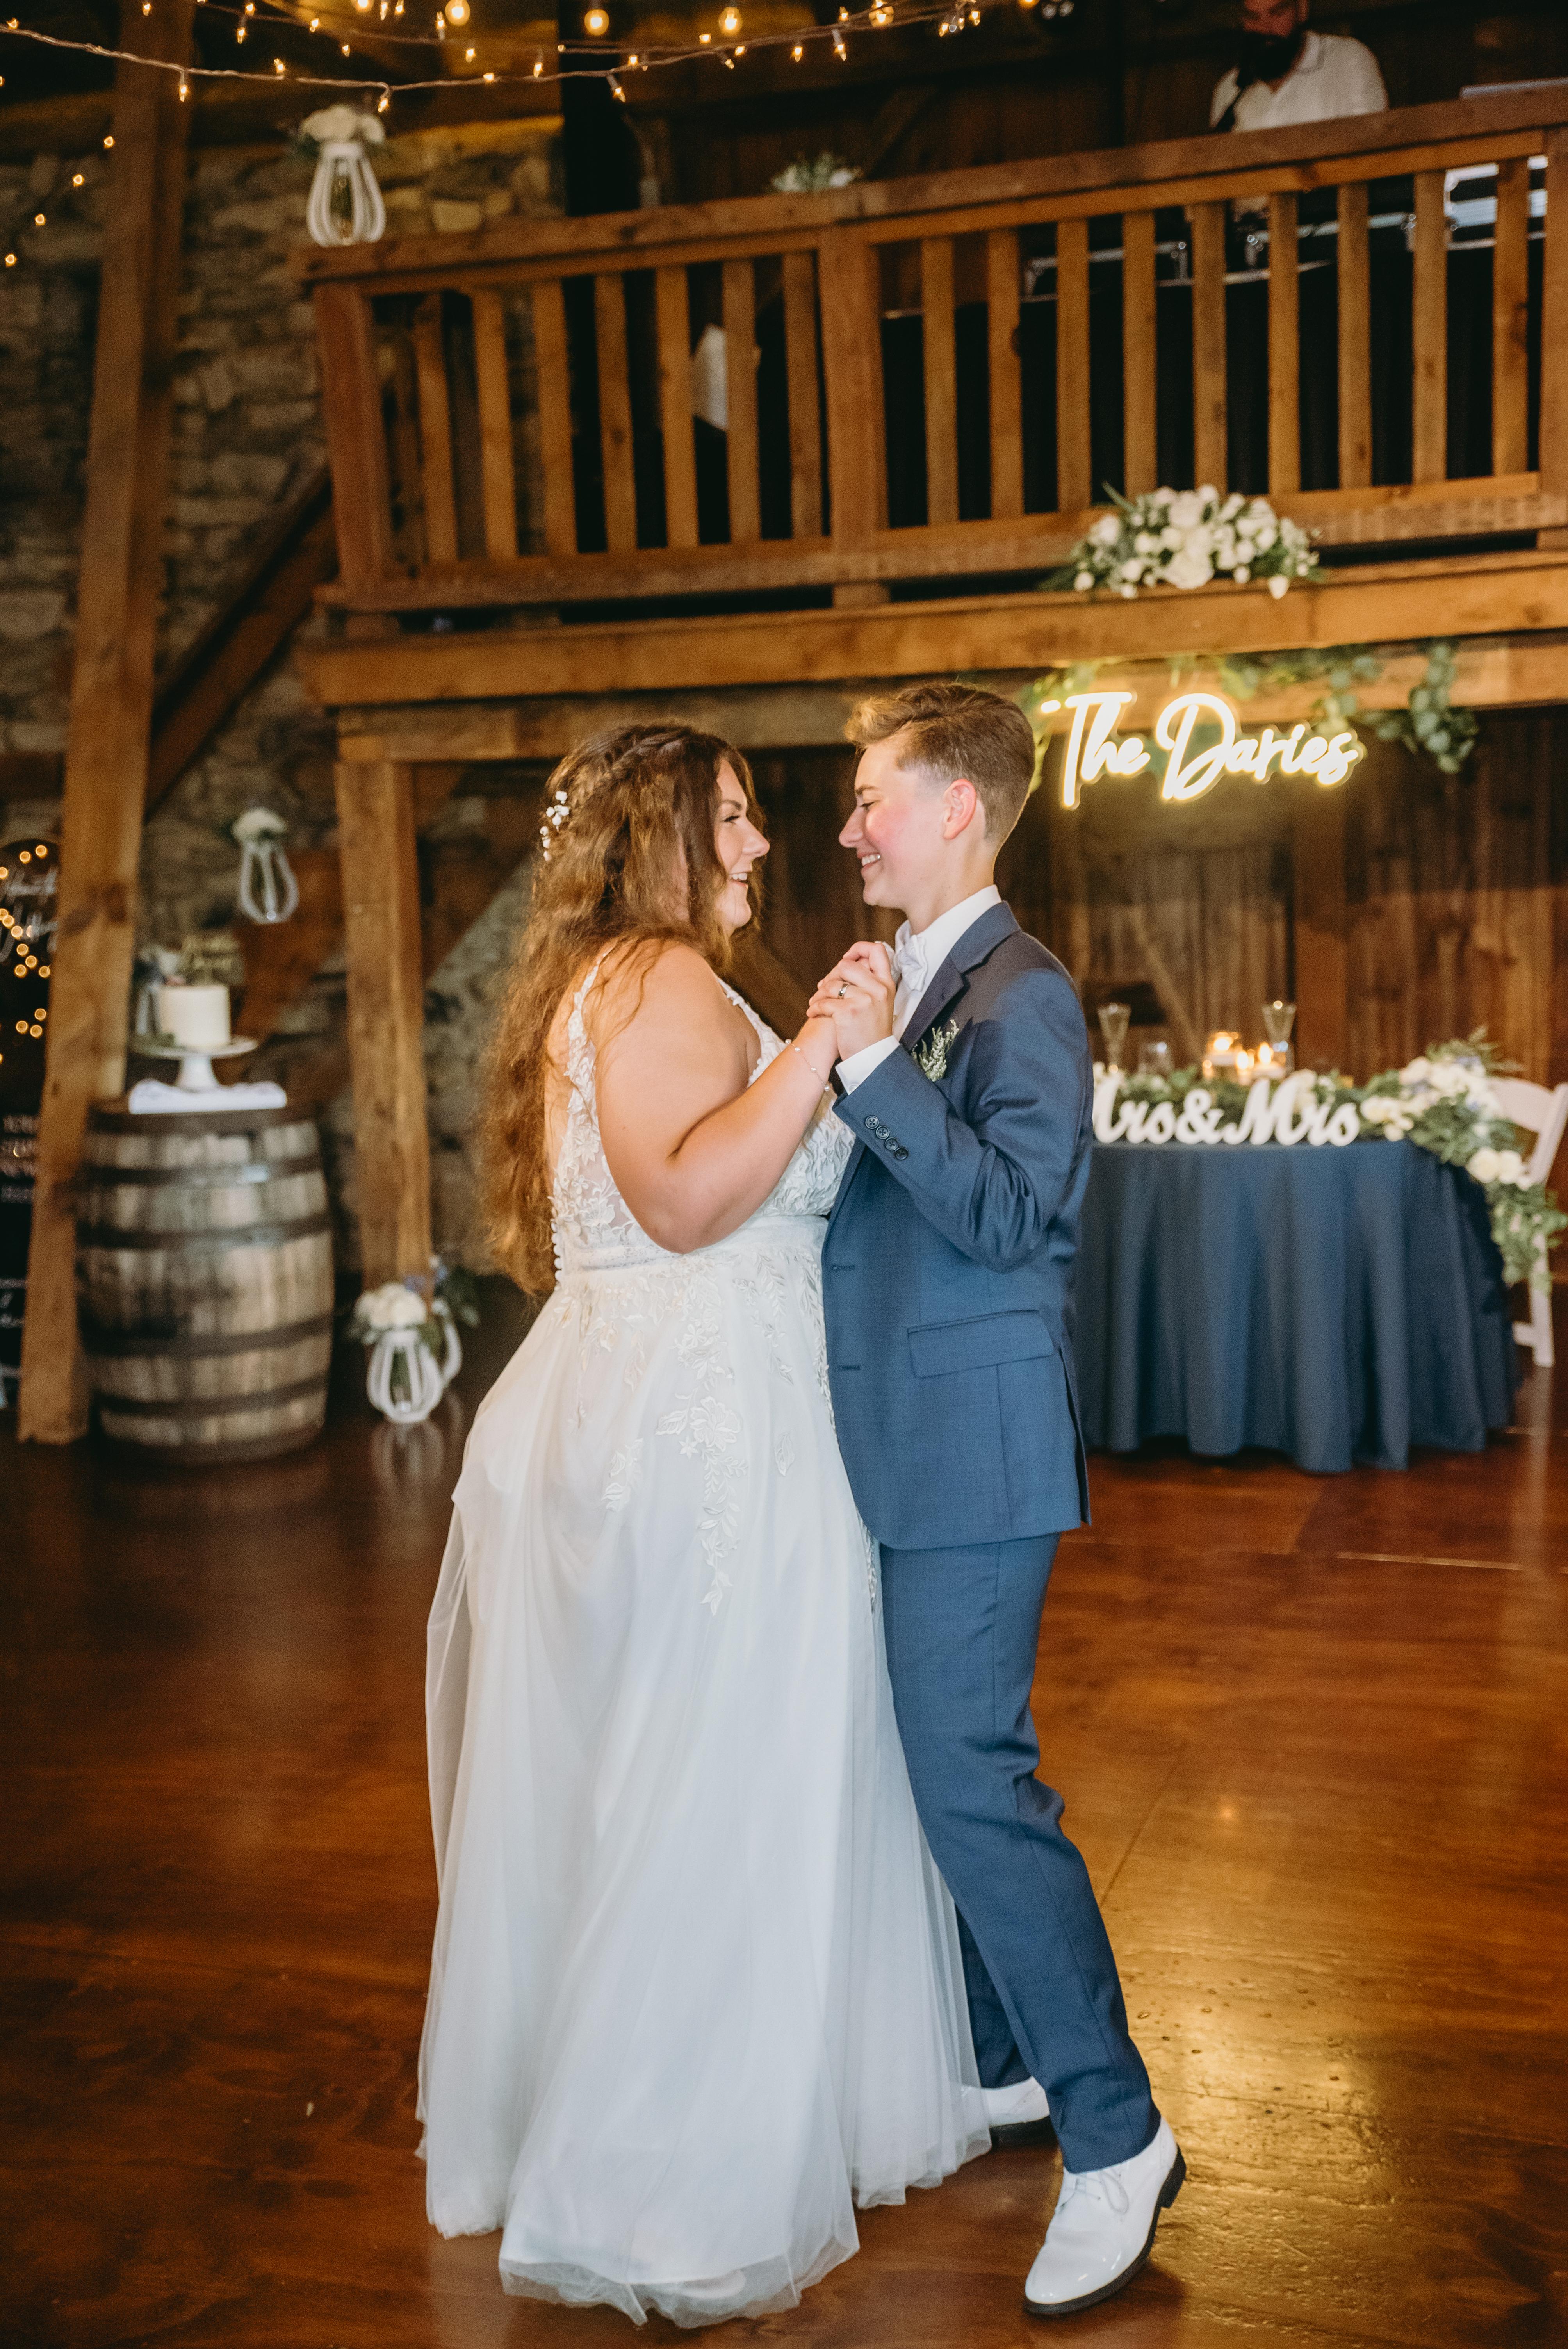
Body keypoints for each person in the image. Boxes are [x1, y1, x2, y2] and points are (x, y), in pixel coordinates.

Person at [417, 723, 994, 2327]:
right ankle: (663, 2186)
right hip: (705, 1425)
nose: (757, 844)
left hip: (667, 1404)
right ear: (665, 838)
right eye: (730, 819)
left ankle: (671, 2117)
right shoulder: (663, 976)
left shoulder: (626, 976)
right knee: (715, 1774)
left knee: (658, 1771)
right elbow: (680, 1202)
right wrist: (819, 1045)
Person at [808, 683, 1183, 2319]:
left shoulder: (1020, 994)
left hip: (973, 1446)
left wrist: (871, 1067)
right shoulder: (915, 980)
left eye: (872, 796)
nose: (849, 827)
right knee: (929, 1766)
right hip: (904, 1432)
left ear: (956, 804)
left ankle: (1118, 2130)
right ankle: (1006, 2054)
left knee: (971, 1779)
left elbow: (1016, 1217)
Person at [1210, 0, 1387, 133]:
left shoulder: (1348, 60)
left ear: (1302, 9)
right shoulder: (1229, 88)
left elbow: (1372, 145)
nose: (1265, 29)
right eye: (1253, 17)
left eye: (1277, 13)